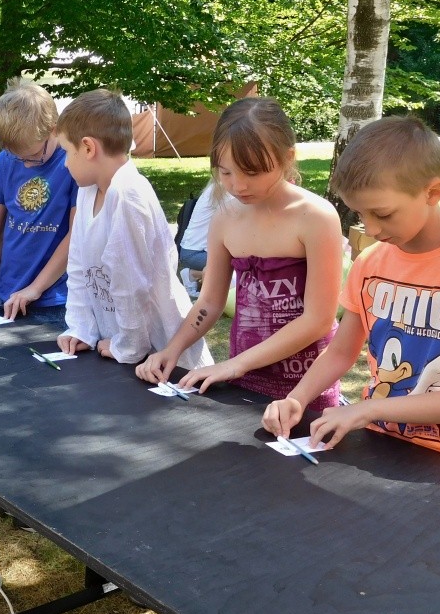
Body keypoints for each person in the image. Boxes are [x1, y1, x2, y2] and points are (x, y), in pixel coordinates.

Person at [263, 116, 440, 468]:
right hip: (382, 445)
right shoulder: (371, 262)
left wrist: (369, 409)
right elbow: (340, 352)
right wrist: (296, 399)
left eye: (383, 214)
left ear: (432, 192)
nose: (372, 229)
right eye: (361, 214)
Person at [135, 97, 343, 410]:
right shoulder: (225, 217)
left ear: (287, 157)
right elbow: (210, 301)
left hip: (305, 385)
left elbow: (319, 320)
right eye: (226, 172)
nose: (238, 185)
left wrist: (235, 364)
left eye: (253, 172)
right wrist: (172, 350)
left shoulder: (316, 217)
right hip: (245, 378)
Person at [54, 89, 212, 368]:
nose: (65, 163)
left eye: (67, 152)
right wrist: (81, 328)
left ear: (88, 148)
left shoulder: (128, 195)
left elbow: (131, 284)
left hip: (163, 353)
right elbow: (78, 266)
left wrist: (127, 346)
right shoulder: (86, 192)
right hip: (117, 347)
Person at [0, 79, 78, 328]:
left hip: (54, 300)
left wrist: (36, 288)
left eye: (33, 155)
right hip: (8, 292)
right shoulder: (7, 160)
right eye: (17, 156)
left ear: (54, 130)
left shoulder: (72, 164)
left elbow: (76, 235)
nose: (25, 163)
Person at [176, 180, 225, 297]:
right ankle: (203, 277)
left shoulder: (218, 187)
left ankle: (193, 274)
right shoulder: (225, 192)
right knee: (243, 267)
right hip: (195, 253)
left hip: (192, 251)